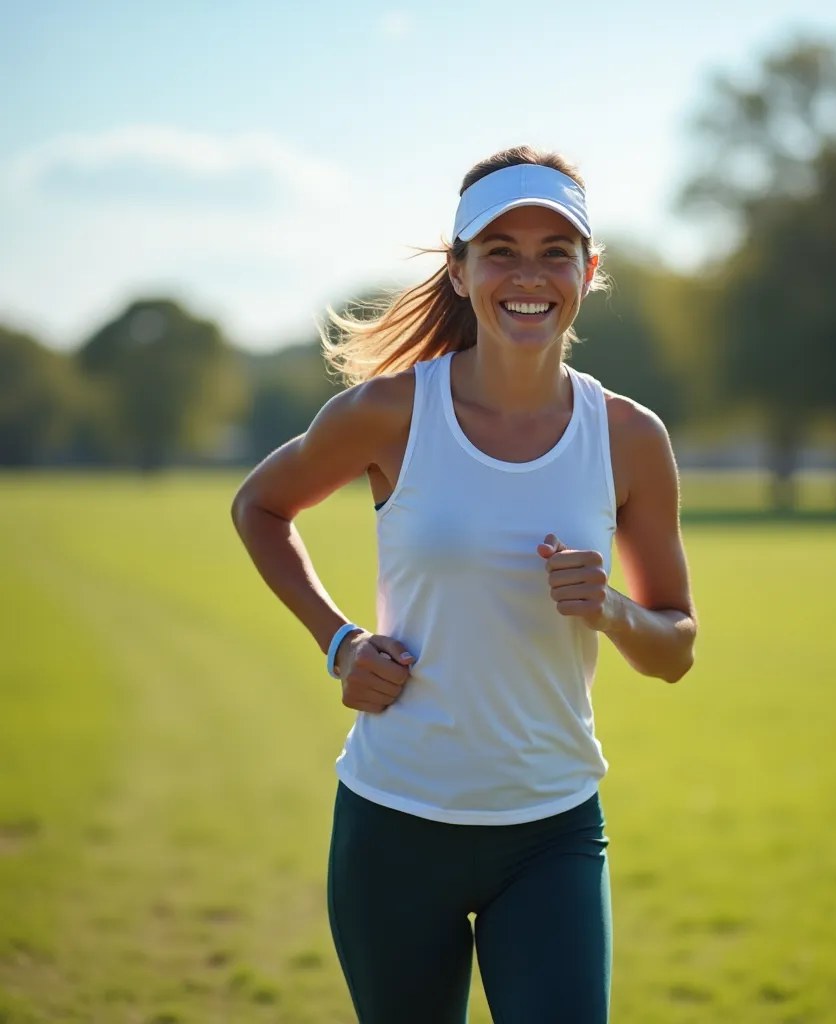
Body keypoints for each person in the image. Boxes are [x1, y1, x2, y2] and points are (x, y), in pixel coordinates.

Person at [231, 144, 697, 1024]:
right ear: (459, 269)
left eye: (555, 252)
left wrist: (610, 609)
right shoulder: (389, 412)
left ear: (589, 270)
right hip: (394, 826)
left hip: (552, 830)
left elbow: (675, 649)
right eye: (500, 251)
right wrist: (340, 643)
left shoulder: (629, 436)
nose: (529, 276)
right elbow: (259, 506)